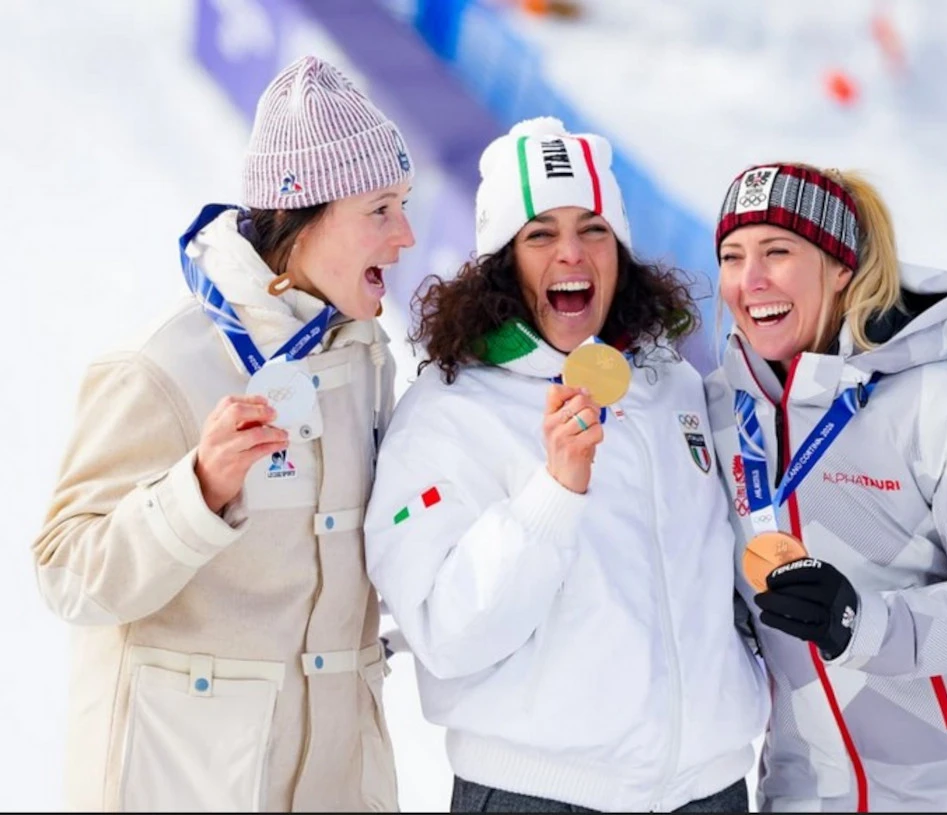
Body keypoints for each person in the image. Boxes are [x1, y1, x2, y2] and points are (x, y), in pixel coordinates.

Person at [32, 56, 414, 812]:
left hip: (335, 784)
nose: (405, 234)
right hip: (189, 783)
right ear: (301, 217)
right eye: (379, 209)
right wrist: (196, 492)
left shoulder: (365, 358)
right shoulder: (159, 367)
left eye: (404, 204)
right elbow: (66, 572)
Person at [363, 117, 768, 813]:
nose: (572, 252)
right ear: (501, 262)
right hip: (540, 795)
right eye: (541, 234)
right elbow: (447, 636)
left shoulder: (672, 385)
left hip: (711, 790)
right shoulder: (448, 413)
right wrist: (553, 493)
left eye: (594, 229)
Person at [705, 162, 947, 811]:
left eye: (777, 251)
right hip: (806, 793)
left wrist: (864, 624)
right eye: (732, 257)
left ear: (840, 267)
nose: (750, 279)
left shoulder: (946, 405)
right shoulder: (718, 415)